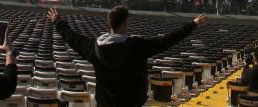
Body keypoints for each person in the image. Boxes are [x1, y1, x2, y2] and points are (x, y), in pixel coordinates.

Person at [47, 6, 205, 107]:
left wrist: (57, 21)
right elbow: (167, 40)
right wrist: (192, 24)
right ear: (126, 23)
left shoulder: (93, 48)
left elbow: (71, 37)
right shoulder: (137, 47)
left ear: (109, 24)